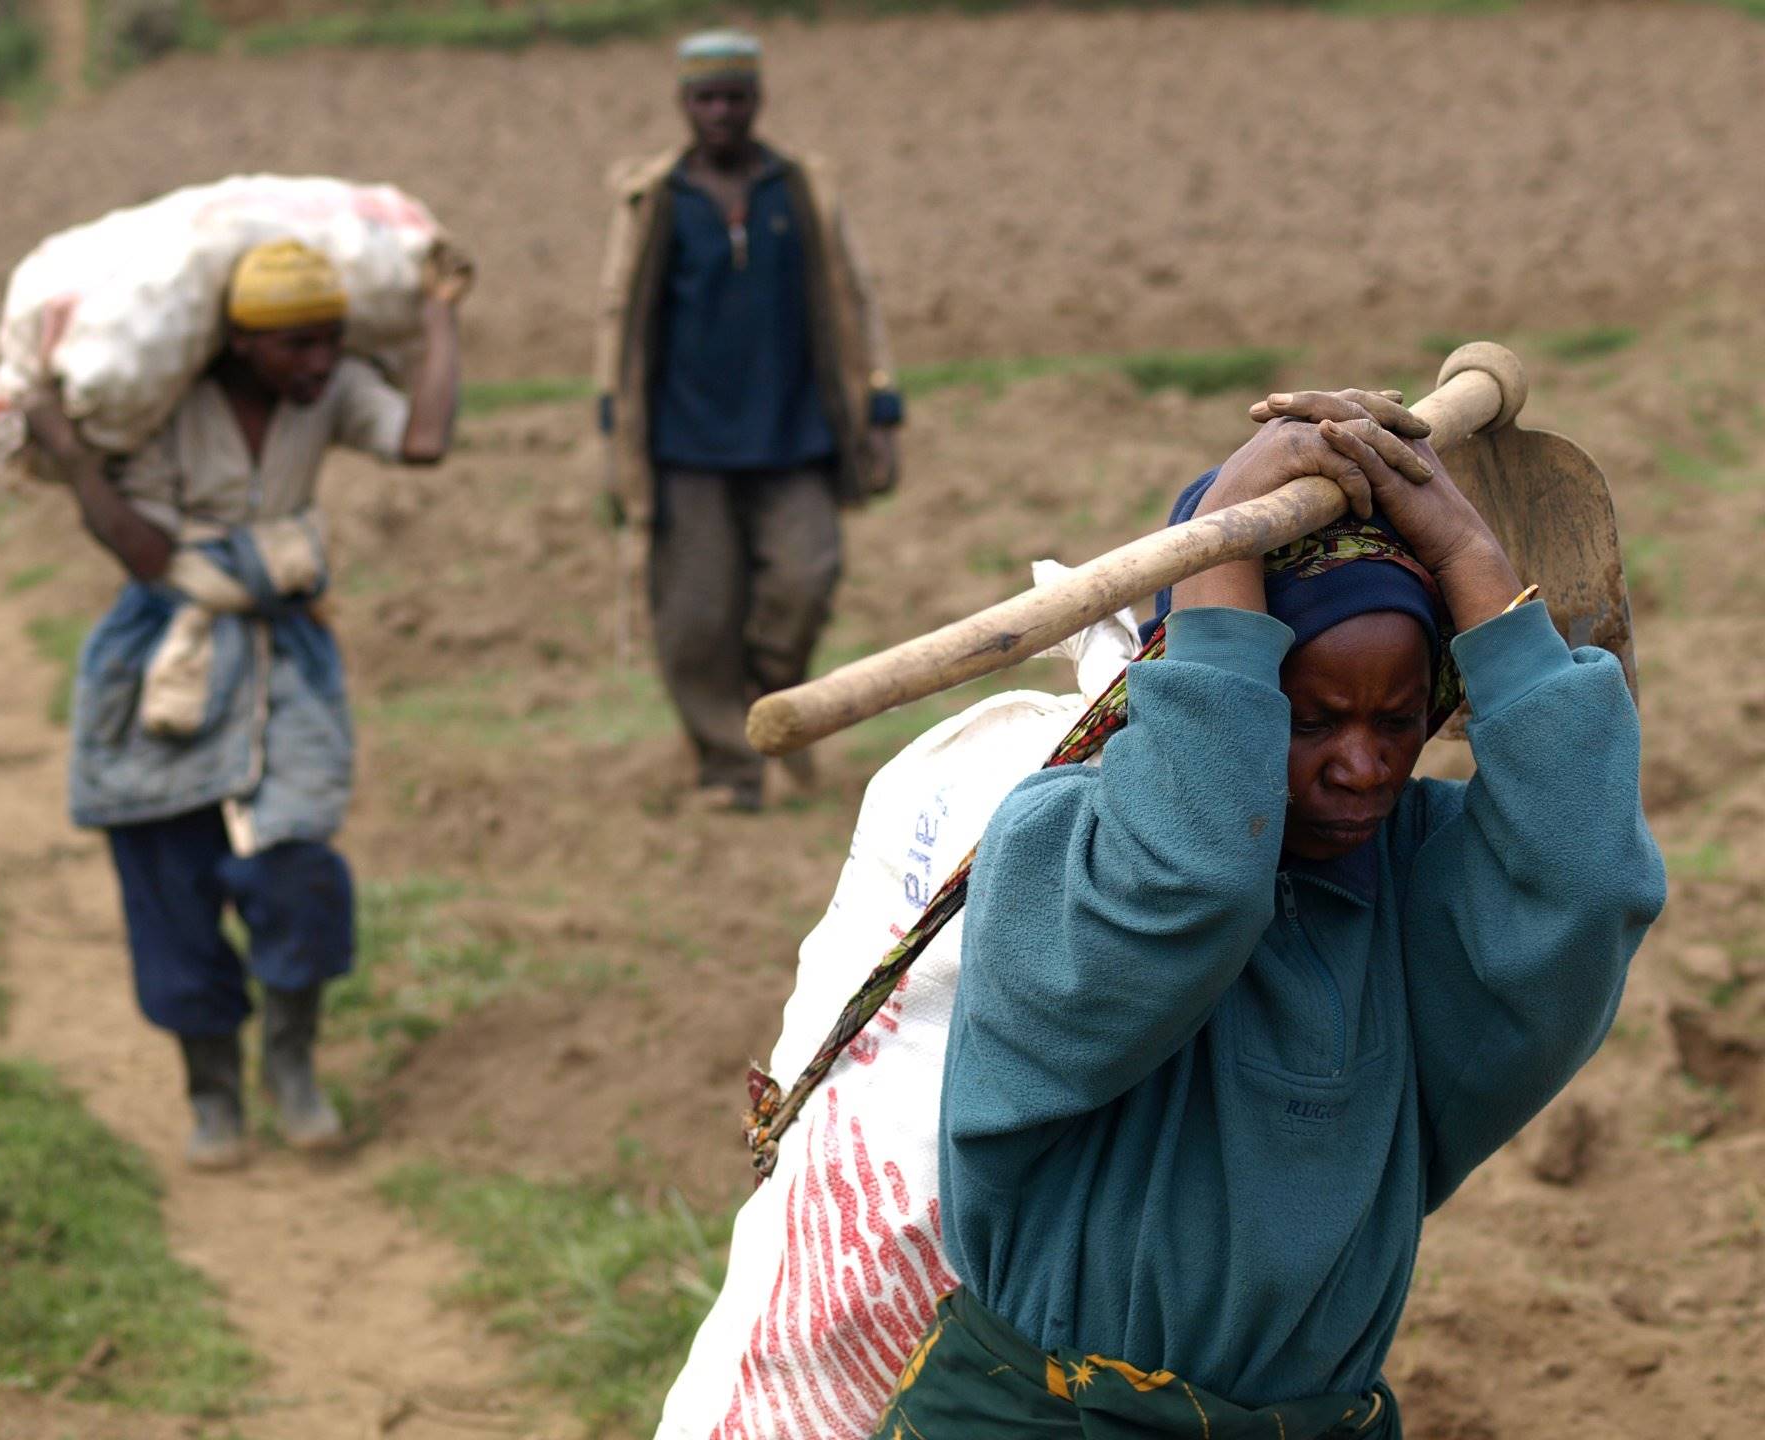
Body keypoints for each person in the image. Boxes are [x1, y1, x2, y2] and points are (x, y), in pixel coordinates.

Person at [876, 390, 1667, 1437]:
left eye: (1398, 720)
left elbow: (1590, 886)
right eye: (1308, 717)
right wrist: (1225, 534)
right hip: (1044, 1418)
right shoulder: (1055, 850)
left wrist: (1468, 553)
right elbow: (1195, 883)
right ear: (1210, 676)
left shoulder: (1418, 881)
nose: (1362, 765)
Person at [26, 239, 468, 1170]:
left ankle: (292, 1064)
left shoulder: (332, 391)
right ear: (234, 343)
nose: (317, 364)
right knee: (168, 878)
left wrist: (439, 313)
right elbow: (146, 556)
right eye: (294, 346)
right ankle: (212, 1091)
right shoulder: (165, 404)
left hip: (283, 652)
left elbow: (423, 441)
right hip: (167, 651)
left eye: (330, 342)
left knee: (297, 868)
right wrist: (72, 462)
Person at [594, 29, 904, 812]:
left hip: (794, 432)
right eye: (706, 98)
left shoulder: (801, 190)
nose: (721, 112)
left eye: (735, 97)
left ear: (757, 101)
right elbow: (615, 321)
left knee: (807, 576)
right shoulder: (655, 199)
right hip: (683, 443)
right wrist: (612, 434)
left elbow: (856, 300)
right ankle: (730, 771)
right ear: (684, 105)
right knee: (695, 616)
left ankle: (771, 699)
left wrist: (882, 408)